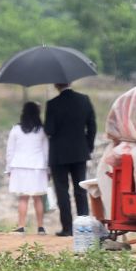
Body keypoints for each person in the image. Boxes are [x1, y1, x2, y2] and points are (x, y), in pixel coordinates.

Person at [44, 83, 96, 236]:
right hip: (80, 152)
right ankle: (83, 228)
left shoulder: (52, 104)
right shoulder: (84, 100)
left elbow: (49, 130)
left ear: (55, 85)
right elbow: (92, 125)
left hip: (59, 154)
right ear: (70, 83)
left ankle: (67, 228)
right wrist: (88, 147)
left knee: (62, 191)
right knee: (80, 189)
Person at [5, 102, 49, 235]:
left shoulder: (16, 129)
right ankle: (41, 227)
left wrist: (8, 169)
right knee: (38, 198)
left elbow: (10, 151)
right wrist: (48, 170)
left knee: (23, 198)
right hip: (38, 166)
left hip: (19, 166)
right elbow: (46, 151)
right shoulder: (42, 130)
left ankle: (21, 226)